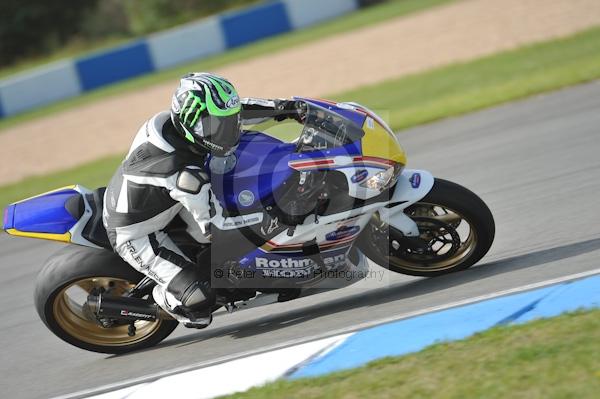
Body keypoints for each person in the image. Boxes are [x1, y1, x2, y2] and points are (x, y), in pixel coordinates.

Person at [102, 72, 303, 328]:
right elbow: (216, 229)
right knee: (200, 303)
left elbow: (238, 112)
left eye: (226, 124)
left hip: (161, 202)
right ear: (191, 122)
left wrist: (287, 109)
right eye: (217, 128)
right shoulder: (184, 175)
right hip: (136, 234)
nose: (228, 132)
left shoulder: (169, 122)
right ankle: (162, 300)